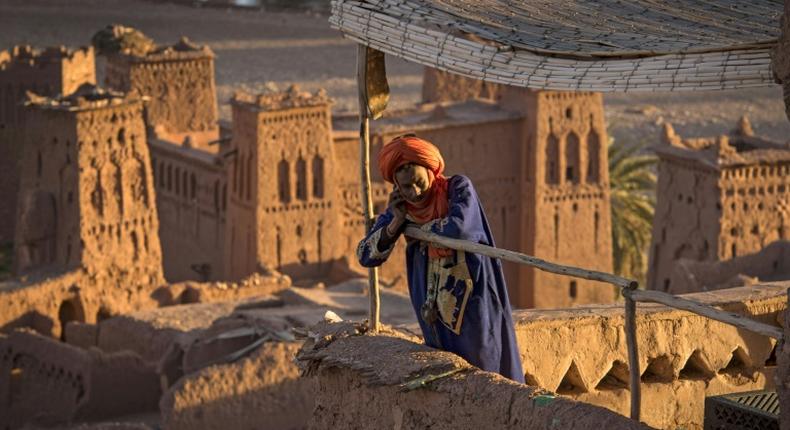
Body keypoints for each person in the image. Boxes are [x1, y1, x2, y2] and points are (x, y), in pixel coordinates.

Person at [356, 134, 524, 383]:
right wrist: (396, 223)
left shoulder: (457, 188)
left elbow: (460, 228)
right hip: (432, 310)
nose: (414, 192)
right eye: (406, 187)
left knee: (485, 364)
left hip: (472, 298)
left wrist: (420, 230)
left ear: (430, 170)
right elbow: (366, 255)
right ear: (396, 187)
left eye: (418, 182)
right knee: (447, 371)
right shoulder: (401, 209)